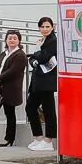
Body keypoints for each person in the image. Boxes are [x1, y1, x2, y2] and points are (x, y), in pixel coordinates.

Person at [0, 29, 26, 147]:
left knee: (9, 113)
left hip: (10, 88)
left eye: (14, 38)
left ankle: (9, 138)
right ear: (6, 40)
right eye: (9, 38)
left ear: (19, 40)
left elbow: (13, 71)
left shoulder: (20, 55)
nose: (12, 40)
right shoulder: (4, 53)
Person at [26, 16, 60, 151]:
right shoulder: (44, 40)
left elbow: (43, 57)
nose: (45, 29)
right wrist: (35, 59)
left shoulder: (52, 41)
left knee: (48, 110)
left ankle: (48, 141)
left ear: (52, 27)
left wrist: (37, 51)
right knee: (30, 107)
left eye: (47, 26)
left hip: (47, 81)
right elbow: (33, 59)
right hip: (39, 80)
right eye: (42, 26)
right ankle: (38, 137)